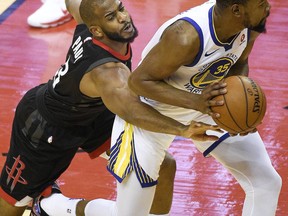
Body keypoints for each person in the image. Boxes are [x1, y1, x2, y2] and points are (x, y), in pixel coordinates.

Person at [0, 0, 226, 215]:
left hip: (95, 116)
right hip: (45, 129)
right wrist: (183, 130)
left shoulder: (89, 16)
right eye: (112, 17)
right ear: (96, 30)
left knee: (163, 165)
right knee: (12, 205)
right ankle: (49, 206)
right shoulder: (109, 74)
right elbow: (133, 111)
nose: (123, 18)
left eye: (121, 9)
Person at [96, 0, 281, 215]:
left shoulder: (252, 21)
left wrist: (238, 110)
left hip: (206, 105)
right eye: (261, 3)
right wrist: (197, 101)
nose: (267, 6)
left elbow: (240, 60)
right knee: (130, 213)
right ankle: (64, 206)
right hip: (150, 114)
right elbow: (138, 82)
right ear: (237, 10)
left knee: (266, 183)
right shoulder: (185, 36)